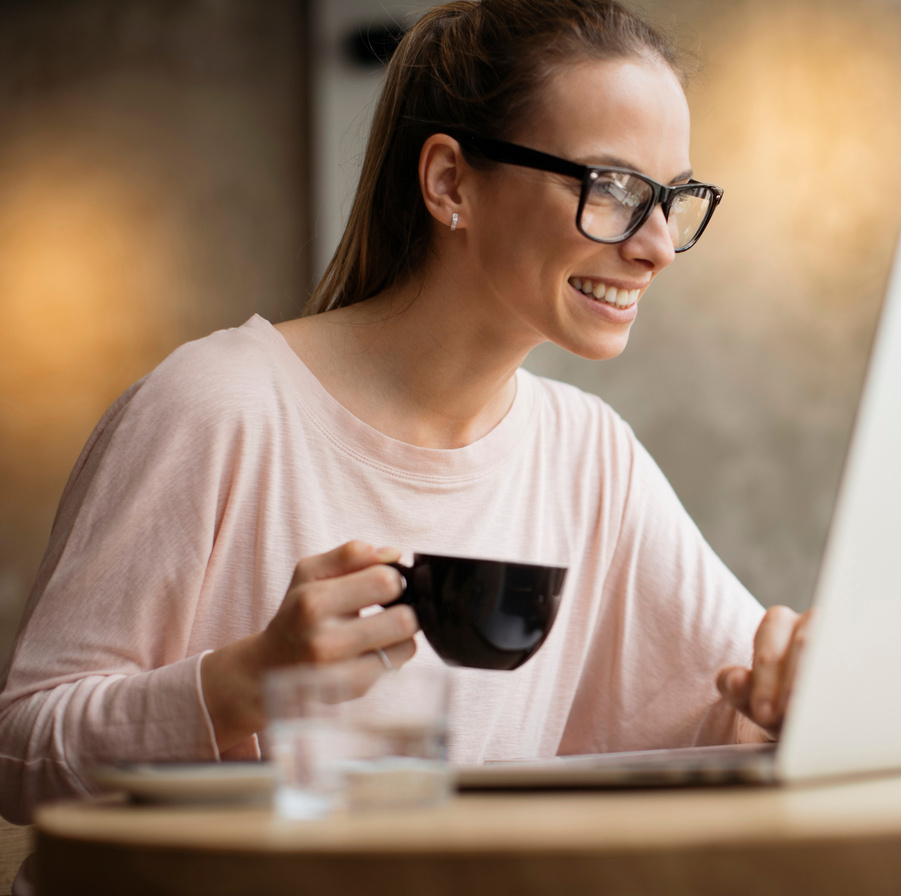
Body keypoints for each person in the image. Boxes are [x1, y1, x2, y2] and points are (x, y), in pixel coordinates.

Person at [0, 0, 810, 826]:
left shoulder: (589, 457)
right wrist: (242, 684)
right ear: (450, 181)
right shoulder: (217, 409)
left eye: (672, 196)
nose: (658, 245)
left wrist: (799, 690)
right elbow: (19, 753)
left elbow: (728, 707)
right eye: (614, 188)